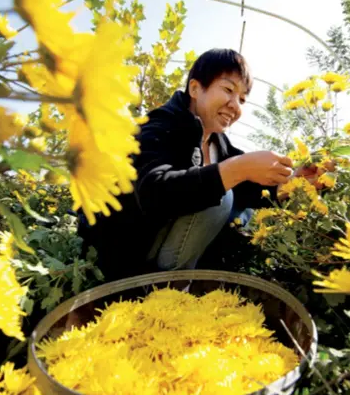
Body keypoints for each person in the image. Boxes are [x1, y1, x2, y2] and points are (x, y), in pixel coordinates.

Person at [77, 48, 297, 282]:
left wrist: (293, 183)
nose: (235, 105)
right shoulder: (161, 125)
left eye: (242, 99)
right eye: (228, 90)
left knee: (244, 211)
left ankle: (200, 275)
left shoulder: (218, 143)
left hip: (165, 246)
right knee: (221, 197)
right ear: (195, 88)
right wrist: (237, 168)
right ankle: (163, 290)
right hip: (124, 254)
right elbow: (153, 191)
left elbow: (248, 190)